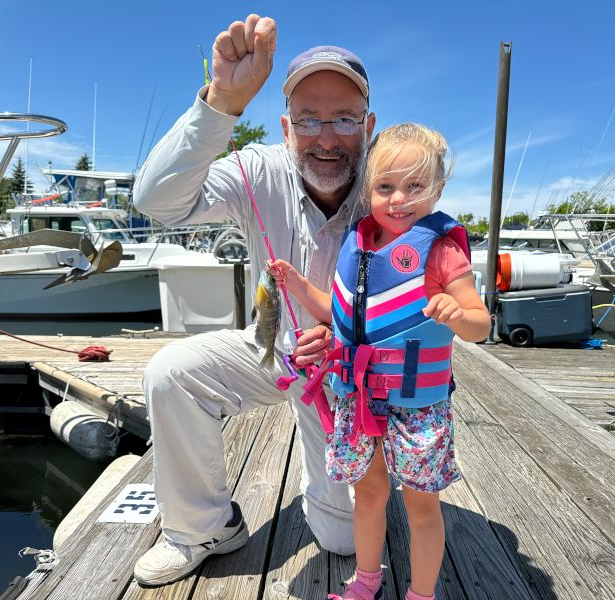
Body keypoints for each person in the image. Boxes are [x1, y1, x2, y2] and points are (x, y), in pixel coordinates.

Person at [131, 14, 376, 586]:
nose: (327, 136)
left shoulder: (388, 185)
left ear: (369, 124)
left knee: (340, 540)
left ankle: (338, 480)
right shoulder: (257, 167)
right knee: (173, 372)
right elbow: (157, 202)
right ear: (286, 127)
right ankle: (202, 527)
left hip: (347, 374)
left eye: (343, 118)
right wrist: (221, 103)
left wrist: (347, 339)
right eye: (309, 120)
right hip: (272, 350)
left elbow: (429, 294)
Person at [268, 123, 491, 600]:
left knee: (421, 507)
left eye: (415, 186)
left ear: (438, 188)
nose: (399, 199)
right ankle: (366, 581)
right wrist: (294, 283)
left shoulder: (442, 250)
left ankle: (422, 593)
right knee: (367, 495)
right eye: (385, 186)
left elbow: (480, 323)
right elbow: (338, 311)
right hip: (359, 400)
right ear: (368, 189)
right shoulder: (359, 243)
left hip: (417, 407)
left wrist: (457, 314)